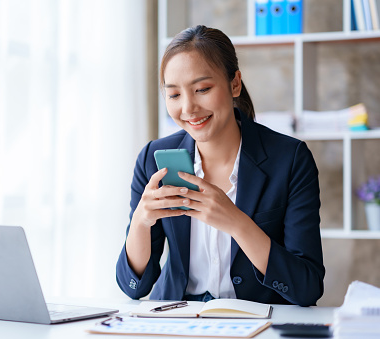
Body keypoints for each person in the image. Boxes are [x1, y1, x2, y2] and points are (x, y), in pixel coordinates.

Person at [116, 25, 325, 307]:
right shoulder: (153, 158)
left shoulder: (290, 159)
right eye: (174, 94)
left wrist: (237, 223)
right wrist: (141, 221)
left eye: (202, 89)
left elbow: (307, 287)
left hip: (257, 321)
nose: (188, 108)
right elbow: (133, 287)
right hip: (176, 320)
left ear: (234, 83)